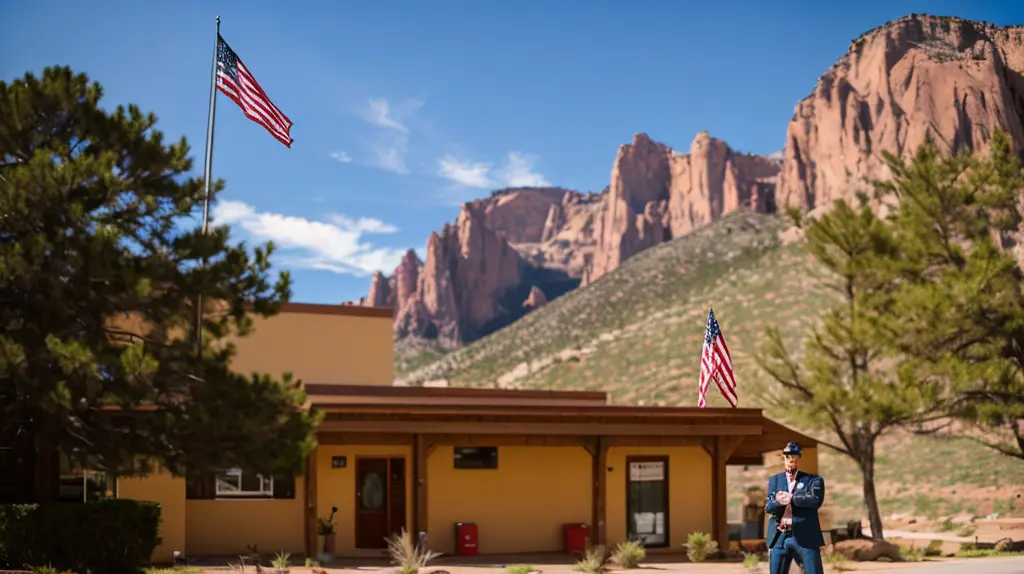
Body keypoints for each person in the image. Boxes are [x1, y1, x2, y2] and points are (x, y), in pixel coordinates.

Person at [764, 442, 825, 574]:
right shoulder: (775, 480)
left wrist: (791, 498)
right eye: (788, 457)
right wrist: (780, 501)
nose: (791, 460)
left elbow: (815, 500)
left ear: (799, 458)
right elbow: (769, 507)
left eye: (794, 457)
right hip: (780, 535)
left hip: (804, 535)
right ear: (784, 458)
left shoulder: (813, 480)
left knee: (813, 570)